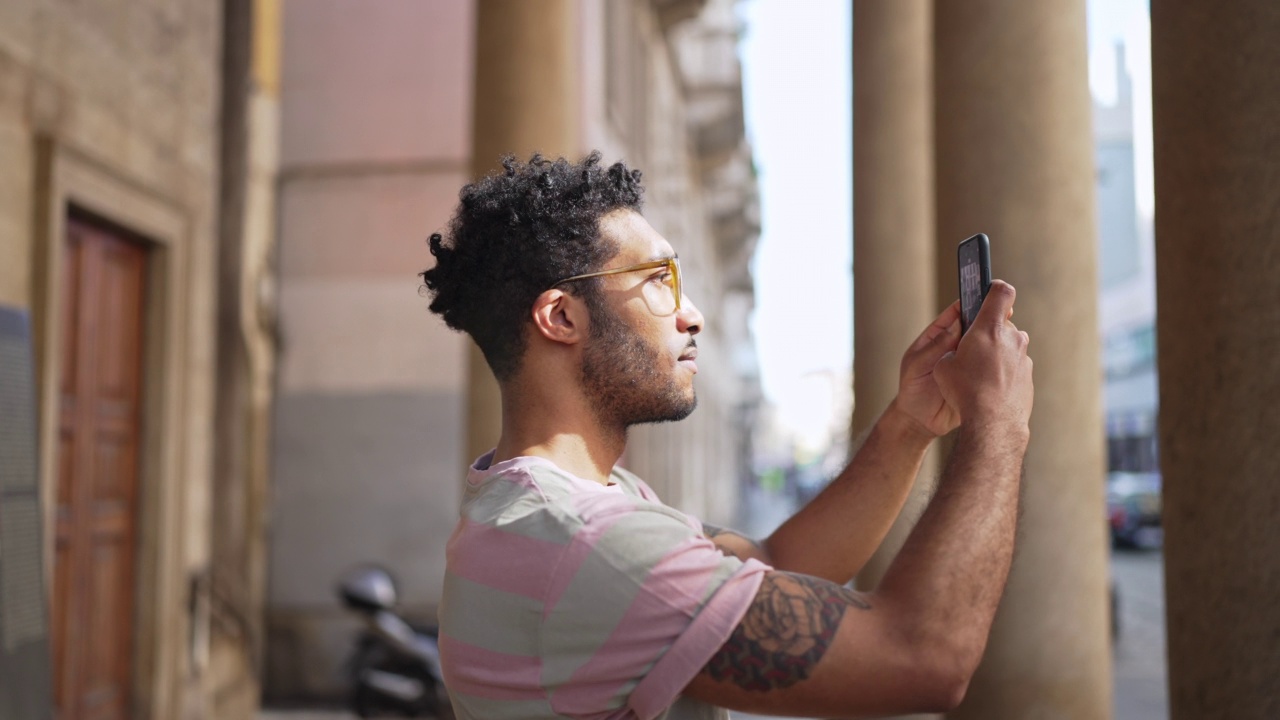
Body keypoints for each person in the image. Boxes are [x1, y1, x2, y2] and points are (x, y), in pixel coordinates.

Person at [421, 153, 1033, 719]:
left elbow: (779, 564)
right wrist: (999, 425)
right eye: (658, 279)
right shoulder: (584, 541)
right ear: (561, 317)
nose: (693, 314)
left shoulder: (563, 504)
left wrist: (911, 424)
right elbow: (921, 658)